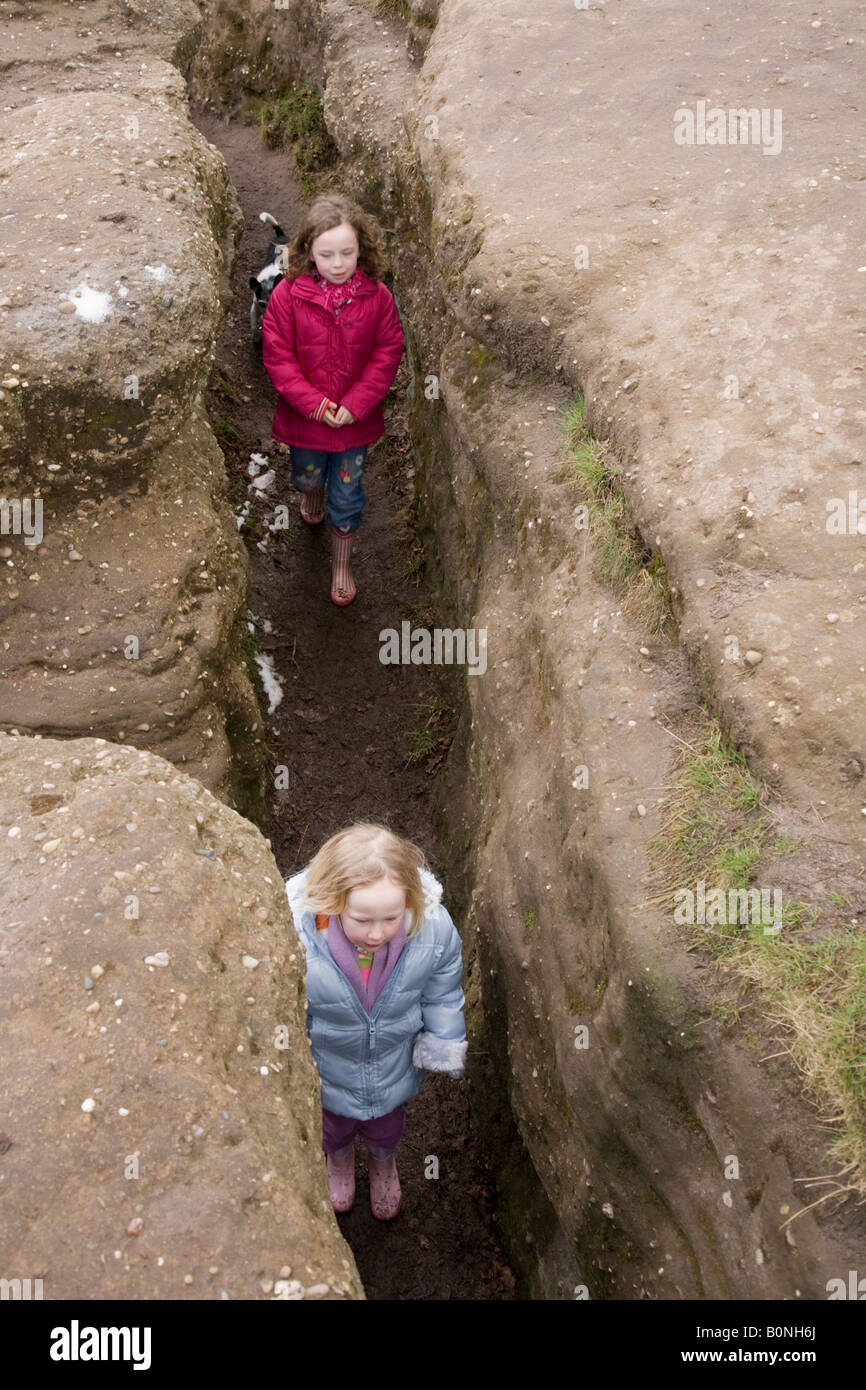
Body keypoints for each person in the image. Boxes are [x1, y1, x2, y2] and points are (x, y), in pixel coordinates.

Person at [284, 823, 467, 1220]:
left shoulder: (431, 930)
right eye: (362, 920)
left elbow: (443, 990)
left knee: (386, 1125)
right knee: (332, 1126)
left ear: (411, 900)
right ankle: (339, 1161)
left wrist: (443, 1039)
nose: (377, 933)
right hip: (328, 1064)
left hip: (391, 1062)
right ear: (332, 901)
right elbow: (284, 1001)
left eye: (391, 917)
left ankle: (383, 1162)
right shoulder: (298, 940)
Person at [262, 194, 405, 606]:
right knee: (307, 477)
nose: (338, 264)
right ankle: (311, 495)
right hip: (306, 421)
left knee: (348, 495)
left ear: (363, 250)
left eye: (348, 253)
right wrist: (315, 404)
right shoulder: (287, 296)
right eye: (327, 255)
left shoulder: (377, 298)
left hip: (352, 426)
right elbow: (278, 356)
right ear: (308, 250)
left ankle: (341, 566)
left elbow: (386, 352)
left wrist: (356, 404)